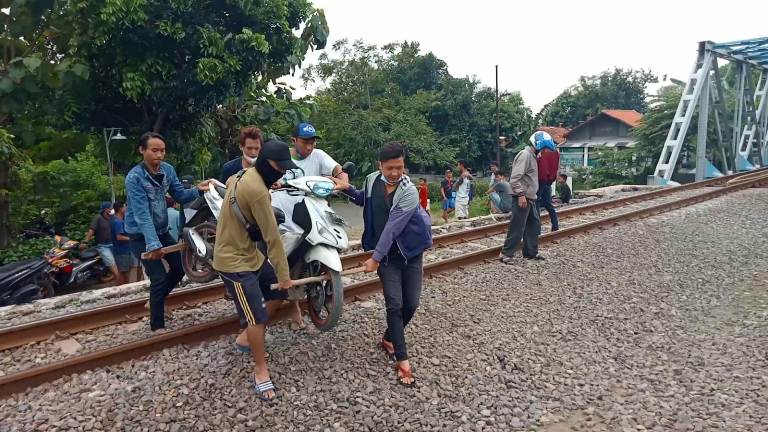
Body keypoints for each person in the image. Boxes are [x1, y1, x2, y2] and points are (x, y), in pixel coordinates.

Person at [340, 142, 432, 387]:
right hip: (387, 257)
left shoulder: (409, 190)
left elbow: (393, 227)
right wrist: (347, 188)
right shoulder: (372, 180)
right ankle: (402, 359)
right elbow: (364, 200)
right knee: (395, 304)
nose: (395, 172)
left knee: (411, 304)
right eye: (390, 167)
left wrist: (374, 258)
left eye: (399, 167)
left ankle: (389, 337)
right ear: (380, 166)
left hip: (410, 252)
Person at [213, 139, 297, 400]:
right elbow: (272, 238)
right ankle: (261, 371)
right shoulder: (258, 190)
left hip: (249, 254)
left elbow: (229, 185)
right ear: (266, 163)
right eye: (278, 167)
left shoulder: (243, 174)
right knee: (257, 318)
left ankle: (244, 340)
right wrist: (285, 277)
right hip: (233, 262)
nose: (282, 172)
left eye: (285, 167)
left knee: (276, 296)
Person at [124, 132, 211, 332]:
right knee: (158, 276)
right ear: (142, 150)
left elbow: (180, 195)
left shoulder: (168, 170)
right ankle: (157, 326)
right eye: (154, 151)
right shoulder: (134, 178)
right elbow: (142, 215)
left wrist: (199, 189)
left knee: (181, 267)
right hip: (140, 234)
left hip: (162, 230)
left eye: (162, 151)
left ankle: (154, 301)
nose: (159, 155)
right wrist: (153, 245)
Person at [270, 122, 349, 330]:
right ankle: (294, 307)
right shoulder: (281, 158)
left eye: (312, 142)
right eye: (305, 142)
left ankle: (325, 284)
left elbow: (339, 171)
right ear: (293, 140)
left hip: (312, 208)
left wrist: (342, 181)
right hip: (283, 211)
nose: (309, 147)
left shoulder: (319, 155)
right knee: (285, 256)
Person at [499, 132, 547, 264]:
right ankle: (505, 254)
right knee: (517, 227)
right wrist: (520, 195)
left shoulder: (533, 156)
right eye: (543, 148)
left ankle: (530, 252)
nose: (543, 151)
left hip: (530, 198)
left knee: (533, 225)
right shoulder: (525, 155)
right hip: (523, 197)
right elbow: (514, 178)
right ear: (538, 146)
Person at [82, 202, 124, 286]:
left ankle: (120, 283)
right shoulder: (98, 218)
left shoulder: (113, 218)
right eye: (111, 208)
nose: (112, 210)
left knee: (121, 266)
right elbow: (91, 231)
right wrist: (85, 242)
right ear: (106, 210)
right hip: (103, 246)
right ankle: (120, 283)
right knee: (112, 264)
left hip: (114, 244)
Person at [112, 202, 141, 283]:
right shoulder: (118, 222)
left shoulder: (118, 220)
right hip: (122, 251)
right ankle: (123, 290)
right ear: (120, 209)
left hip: (123, 251)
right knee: (124, 274)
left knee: (125, 273)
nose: (126, 209)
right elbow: (119, 237)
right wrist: (131, 239)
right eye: (124, 207)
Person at [537, 137, 560, 232]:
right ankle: (555, 225)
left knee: (536, 205)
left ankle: (537, 228)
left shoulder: (541, 153)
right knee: (548, 204)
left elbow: (538, 167)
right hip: (549, 181)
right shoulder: (556, 153)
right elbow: (557, 168)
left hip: (540, 181)